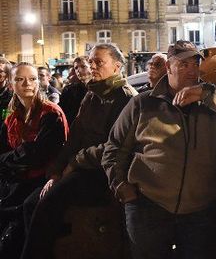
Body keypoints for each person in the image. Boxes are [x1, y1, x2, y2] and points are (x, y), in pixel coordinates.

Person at [102, 40, 216, 259]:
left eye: (195, 63)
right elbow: (113, 149)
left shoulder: (213, 101)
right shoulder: (143, 104)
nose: (191, 70)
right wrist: (122, 187)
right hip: (148, 207)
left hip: (200, 212)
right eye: (183, 64)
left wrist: (206, 94)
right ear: (168, 67)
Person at [21, 44, 137, 259]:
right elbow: (74, 136)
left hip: (101, 174)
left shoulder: (126, 99)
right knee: (31, 203)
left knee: (45, 207)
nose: (92, 66)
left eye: (98, 62)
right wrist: (56, 171)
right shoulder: (92, 94)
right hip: (77, 168)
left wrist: (74, 164)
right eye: (91, 61)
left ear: (117, 66)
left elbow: (113, 148)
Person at [0, 63, 68, 256]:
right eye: (20, 79)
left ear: (39, 82)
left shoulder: (51, 113)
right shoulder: (12, 119)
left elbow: (39, 154)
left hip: (42, 179)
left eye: (32, 79)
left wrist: (15, 157)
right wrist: (18, 156)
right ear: (11, 84)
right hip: (16, 179)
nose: (26, 84)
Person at [58, 56, 92, 125]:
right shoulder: (68, 90)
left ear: (91, 67)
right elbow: (61, 112)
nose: (78, 70)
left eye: (83, 66)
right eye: (76, 68)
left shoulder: (100, 90)